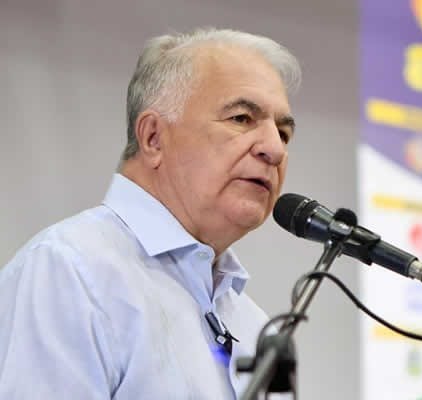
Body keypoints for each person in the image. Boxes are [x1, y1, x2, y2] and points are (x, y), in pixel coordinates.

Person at [0, 27, 301, 399]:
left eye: (284, 133)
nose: (275, 149)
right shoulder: (72, 272)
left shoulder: (255, 326)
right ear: (153, 137)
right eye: (241, 118)